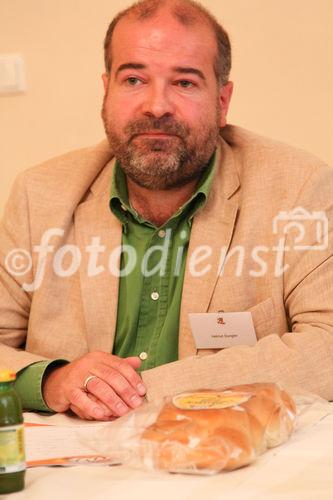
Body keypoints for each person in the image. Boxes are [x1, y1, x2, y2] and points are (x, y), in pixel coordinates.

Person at [1, 0, 333, 421]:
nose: (157, 106)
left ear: (223, 99)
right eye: (134, 79)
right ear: (106, 91)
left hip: (228, 469)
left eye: (185, 83)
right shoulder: (39, 195)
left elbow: (327, 348)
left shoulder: (297, 189)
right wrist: (52, 381)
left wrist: (141, 391)